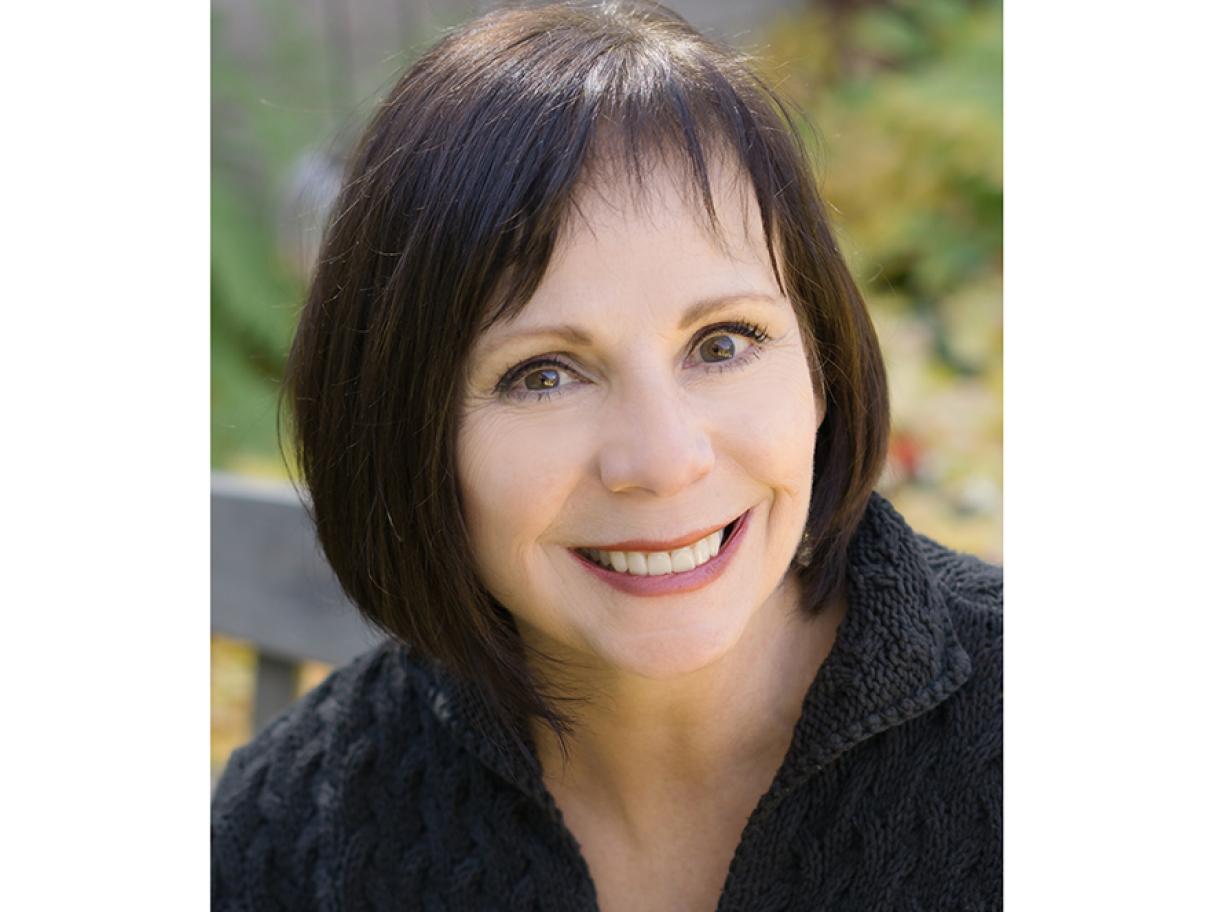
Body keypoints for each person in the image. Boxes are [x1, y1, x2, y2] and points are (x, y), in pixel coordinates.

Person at [211, 2, 1002, 909]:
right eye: (543, 374)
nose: (664, 461)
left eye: (723, 343)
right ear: (403, 431)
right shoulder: (288, 842)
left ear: (821, 365)